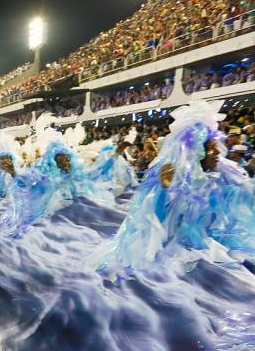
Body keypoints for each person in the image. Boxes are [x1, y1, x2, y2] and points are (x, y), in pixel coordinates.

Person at [95, 101, 255, 275]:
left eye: (216, 148)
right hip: (183, 252)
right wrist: (164, 191)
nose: (218, 153)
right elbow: (154, 222)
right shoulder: (177, 183)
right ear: (196, 153)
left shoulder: (222, 178)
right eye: (211, 149)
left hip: (212, 245)